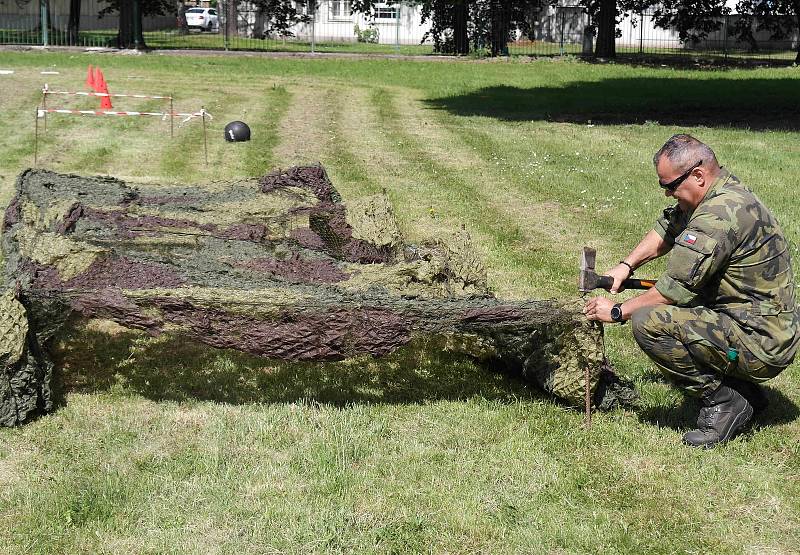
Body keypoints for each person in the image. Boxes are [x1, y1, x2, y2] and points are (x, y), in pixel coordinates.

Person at [583, 134, 800, 448]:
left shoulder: (716, 217)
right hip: (755, 325)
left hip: (761, 343)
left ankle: (725, 401)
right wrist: (626, 266)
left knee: (649, 321)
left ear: (698, 175)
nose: (669, 194)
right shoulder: (717, 191)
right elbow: (669, 227)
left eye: (670, 186)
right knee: (675, 311)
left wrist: (616, 311)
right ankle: (743, 391)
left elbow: (671, 291)